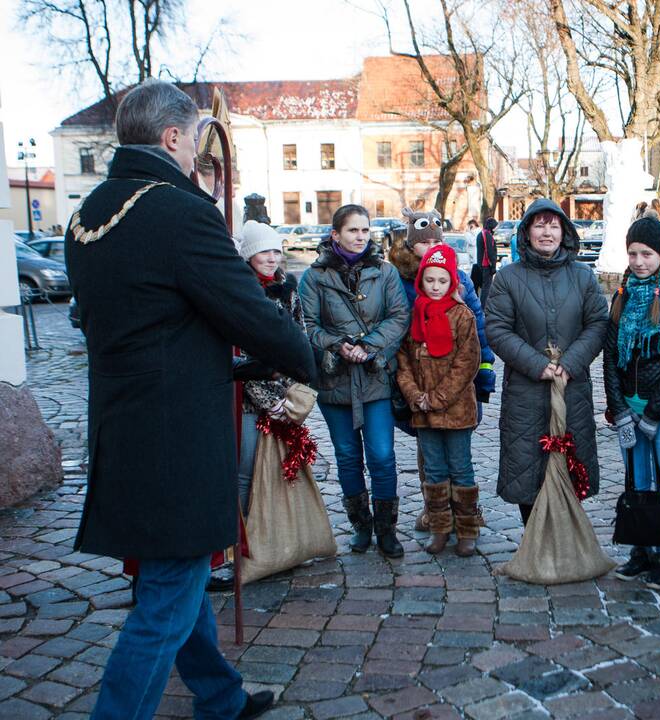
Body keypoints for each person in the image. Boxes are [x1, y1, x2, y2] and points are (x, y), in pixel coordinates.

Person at [64, 79, 316, 720]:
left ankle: (220, 697)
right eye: (194, 140)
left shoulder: (87, 212)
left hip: (123, 428)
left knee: (171, 578)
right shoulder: (179, 211)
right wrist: (305, 356)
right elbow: (247, 311)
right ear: (172, 137)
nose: (197, 154)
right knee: (168, 596)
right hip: (178, 436)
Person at [485, 198, 608, 526]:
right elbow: (497, 329)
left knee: (572, 465)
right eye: (539, 225)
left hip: (571, 390)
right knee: (528, 468)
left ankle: (568, 541)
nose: (547, 232)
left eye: (553, 225)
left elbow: (597, 323)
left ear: (564, 231)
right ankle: (535, 544)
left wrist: (571, 362)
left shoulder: (583, 276)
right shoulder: (508, 278)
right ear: (526, 232)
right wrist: (535, 363)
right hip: (526, 392)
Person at [299, 204, 410, 558]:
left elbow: (398, 317)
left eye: (364, 230)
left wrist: (368, 346)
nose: (360, 236)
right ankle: (361, 526)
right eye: (352, 230)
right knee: (347, 456)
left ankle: (386, 529)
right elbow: (309, 325)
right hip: (335, 381)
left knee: (381, 454)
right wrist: (337, 346)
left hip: (374, 376)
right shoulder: (314, 277)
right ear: (336, 234)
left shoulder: (385, 272)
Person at [208, 220, 308, 591]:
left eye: (276, 250)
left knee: (280, 472)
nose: (271, 257)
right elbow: (243, 354)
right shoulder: (240, 292)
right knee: (246, 474)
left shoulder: (286, 290)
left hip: (283, 393)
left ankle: (271, 543)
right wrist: (272, 401)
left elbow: (297, 337)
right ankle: (236, 551)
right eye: (263, 251)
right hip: (251, 403)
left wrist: (293, 388)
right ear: (248, 254)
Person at [387, 208, 496, 534]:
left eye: (436, 239)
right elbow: (399, 332)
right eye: (424, 241)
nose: (429, 245)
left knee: (459, 451)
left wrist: (485, 373)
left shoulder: (459, 279)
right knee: (428, 449)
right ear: (411, 244)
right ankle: (435, 510)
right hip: (419, 381)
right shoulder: (400, 279)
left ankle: (465, 511)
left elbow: (478, 326)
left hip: (457, 385)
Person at [603, 217, 660, 589]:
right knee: (637, 480)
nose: (639, 261)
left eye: (646, 254)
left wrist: (655, 411)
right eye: (633, 254)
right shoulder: (622, 294)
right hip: (630, 402)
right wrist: (619, 406)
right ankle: (640, 550)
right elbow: (611, 354)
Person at [397, 245, 483, 556]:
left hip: (455, 409)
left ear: (451, 283)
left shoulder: (463, 316)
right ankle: (439, 528)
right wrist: (415, 395)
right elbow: (404, 361)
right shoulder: (415, 315)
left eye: (441, 281)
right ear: (421, 281)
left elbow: (466, 363)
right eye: (430, 280)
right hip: (423, 410)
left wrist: (437, 398)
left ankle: (467, 529)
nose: (435, 287)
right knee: (433, 471)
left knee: (460, 468)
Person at [472, 217, 500, 306]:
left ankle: (483, 305)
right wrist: (493, 266)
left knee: (485, 287)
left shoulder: (481, 233)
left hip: (482, 264)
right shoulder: (487, 235)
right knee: (486, 288)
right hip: (486, 265)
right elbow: (489, 251)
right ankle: (483, 306)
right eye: (495, 226)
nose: (496, 228)